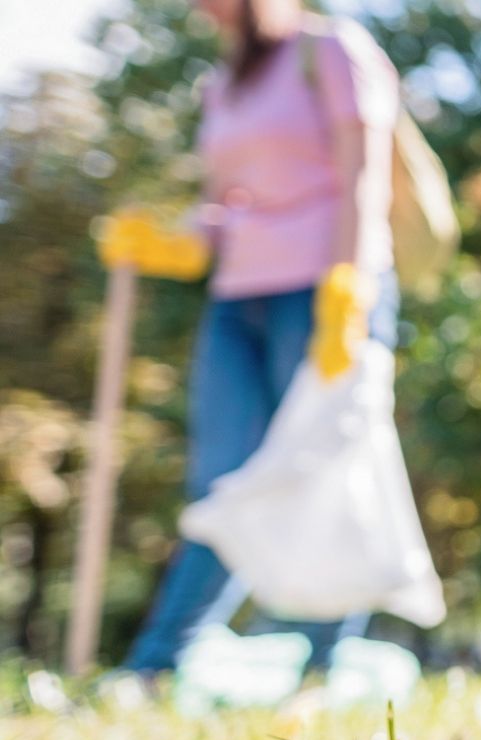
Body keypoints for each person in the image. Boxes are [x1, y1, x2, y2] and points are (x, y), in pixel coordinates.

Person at [101, 0, 403, 676]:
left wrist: (348, 286)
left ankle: (322, 668)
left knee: (319, 470)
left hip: (325, 287)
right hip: (238, 297)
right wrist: (172, 243)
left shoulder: (329, 50)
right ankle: (154, 669)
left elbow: (364, 176)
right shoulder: (224, 80)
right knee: (223, 488)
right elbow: (228, 201)